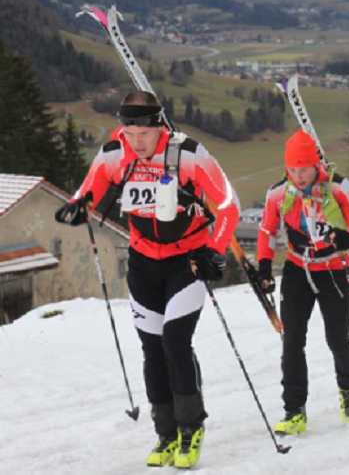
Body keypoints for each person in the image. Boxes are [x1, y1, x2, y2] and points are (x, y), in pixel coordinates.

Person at [54, 91, 240, 469]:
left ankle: (191, 428)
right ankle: (165, 434)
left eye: (144, 133)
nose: (137, 142)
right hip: (143, 262)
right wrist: (77, 206)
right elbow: (90, 189)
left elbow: (228, 205)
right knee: (152, 349)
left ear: (159, 126)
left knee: (175, 340)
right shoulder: (113, 154)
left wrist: (214, 250)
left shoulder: (188, 154)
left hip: (186, 261)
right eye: (130, 132)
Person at [255, 130, 349, 435]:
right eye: (292, 170)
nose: (298, 176)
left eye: (303, 169)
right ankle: (294, 410)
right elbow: (267, 231)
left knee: (337, 339)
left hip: (333, 268)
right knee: (292, 340)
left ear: (315, 164)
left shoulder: (338, 187)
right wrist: (264, 265)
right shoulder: (279, 192)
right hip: (297, 267)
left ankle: (348, 387)